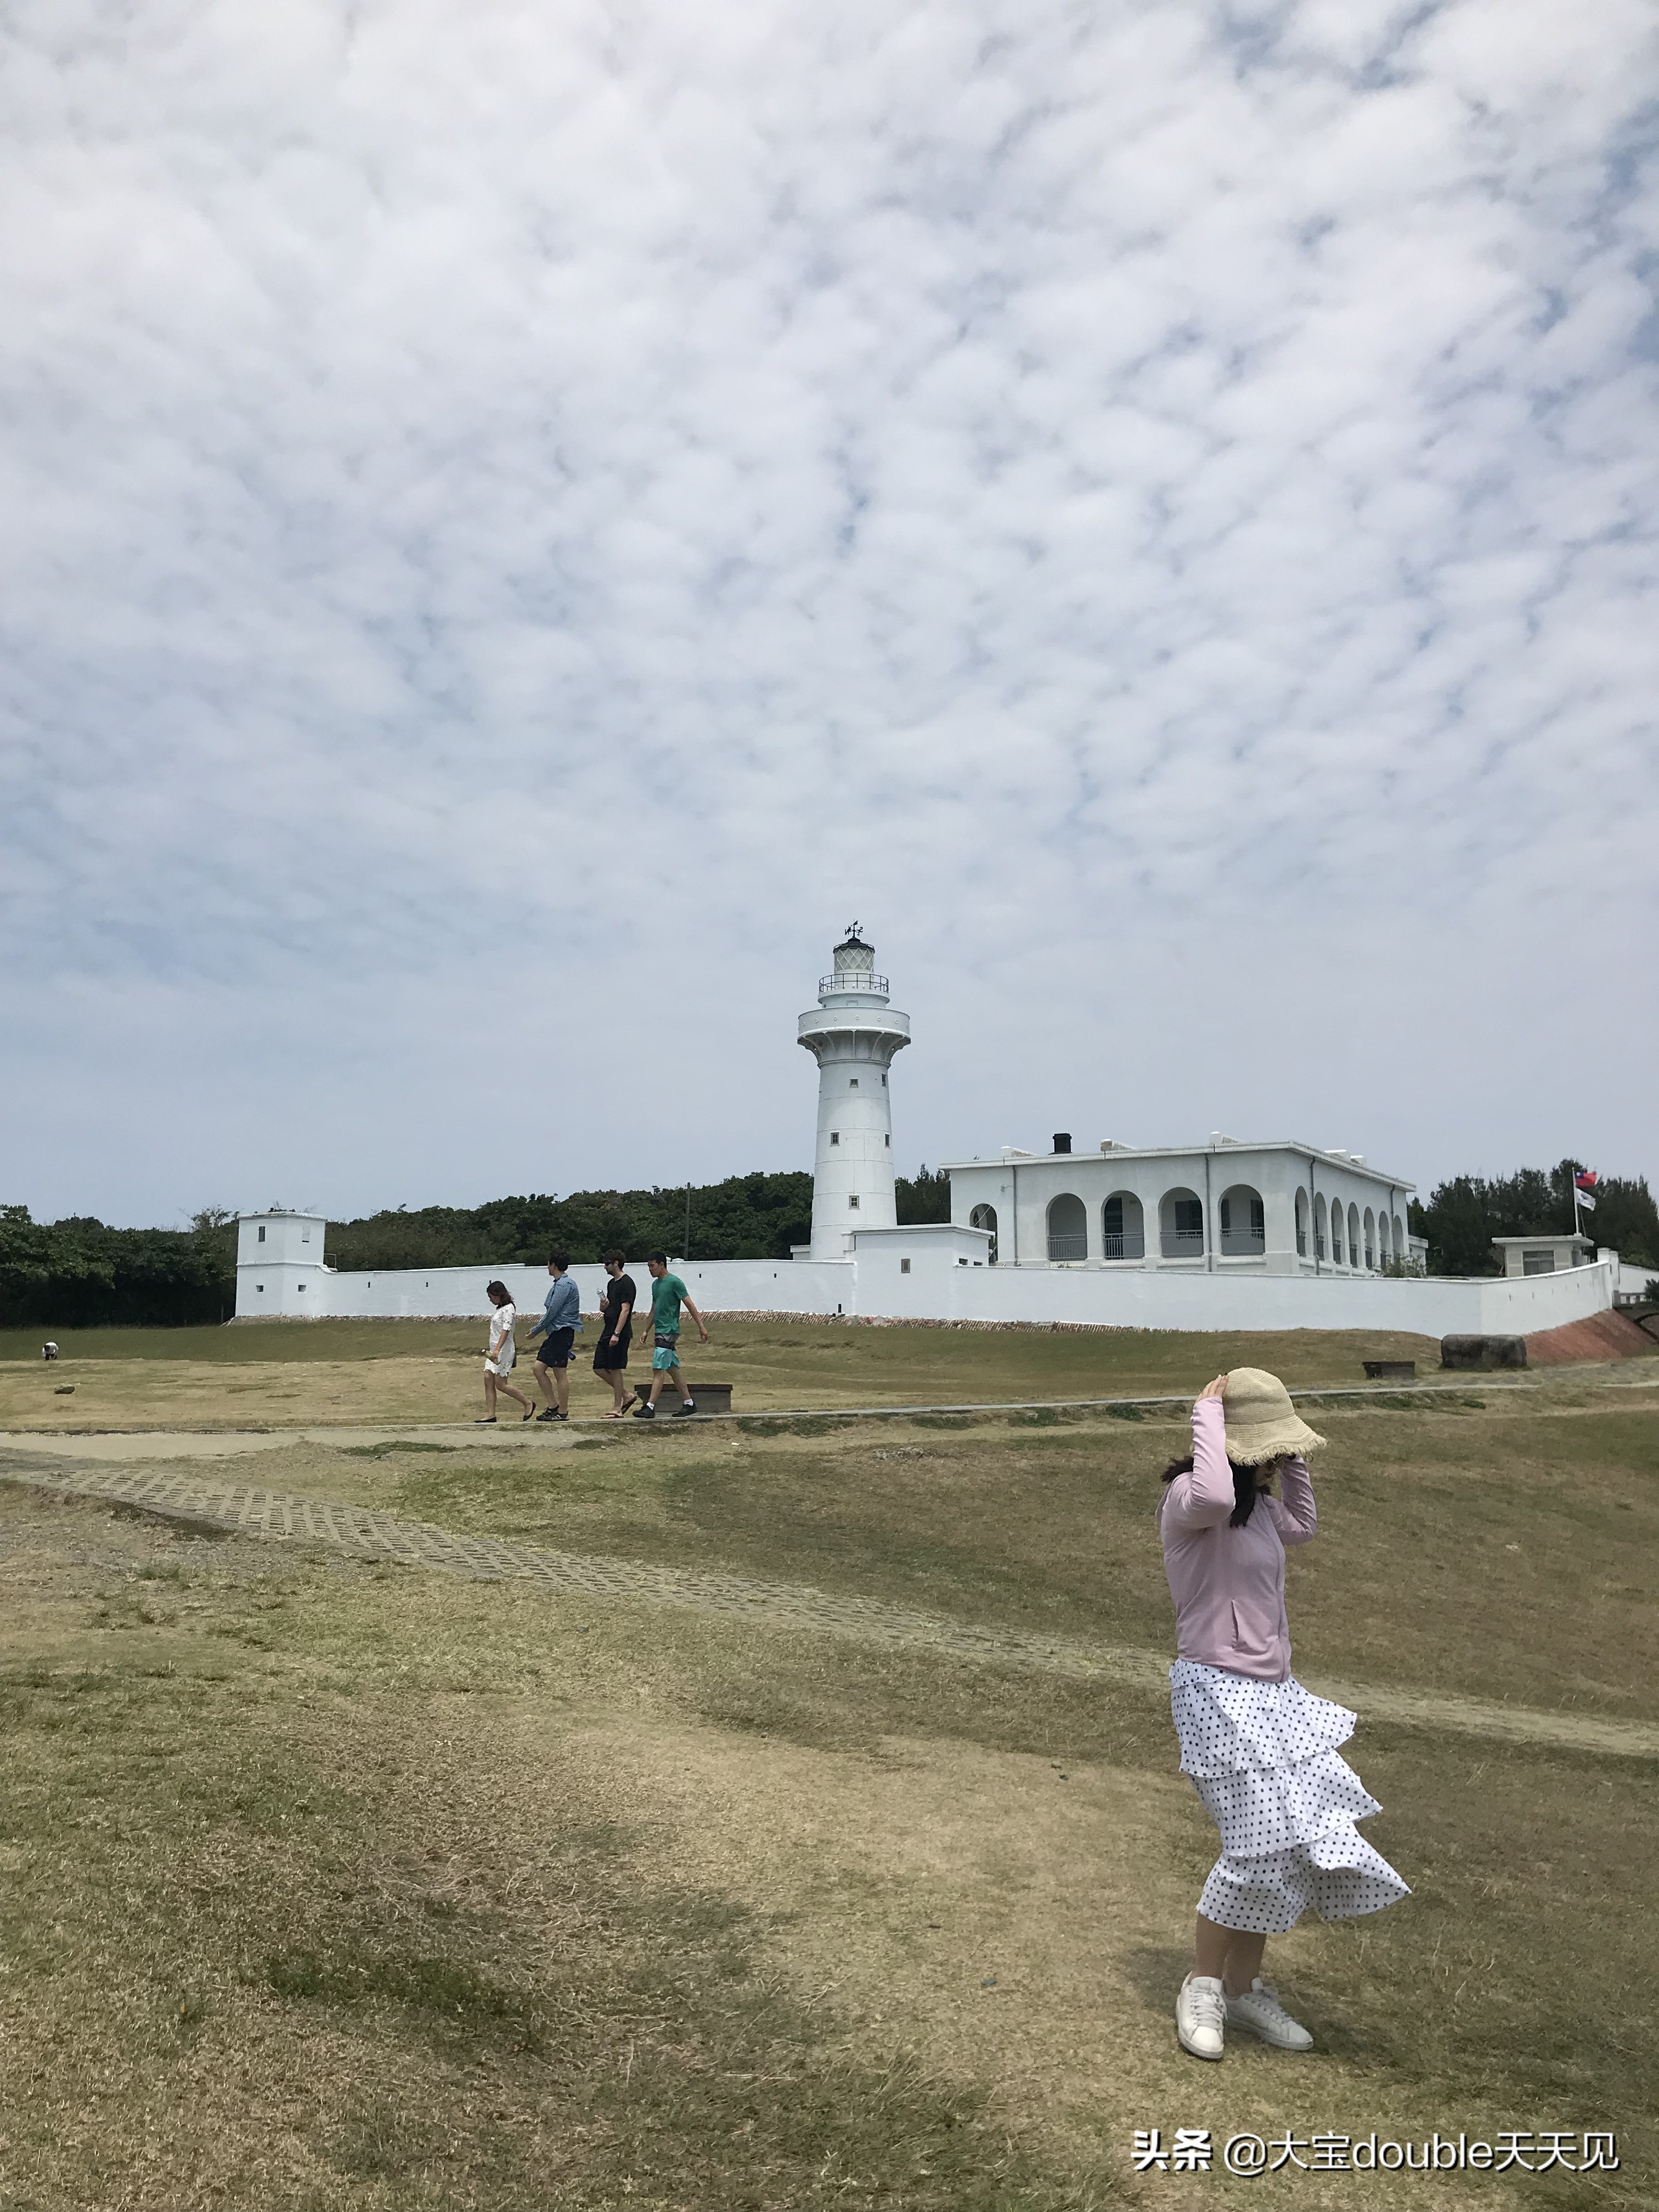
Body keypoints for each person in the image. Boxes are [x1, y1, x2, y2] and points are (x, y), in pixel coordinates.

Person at [1159, 1368, 1408, 2062]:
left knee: (1288, 1843)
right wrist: (1208, 1417)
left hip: (1275, 1693)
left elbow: (1303, 1525)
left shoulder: (1261, 1510)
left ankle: (1243, 1989)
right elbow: (1213, 1488)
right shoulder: (1189, 1500)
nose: (1274, 1457)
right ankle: (1203, 1986)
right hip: (1214, 1687)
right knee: (1254, 1842)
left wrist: (1291, 1455)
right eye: (1267, 1446)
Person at [632, 1253, 710, 1418]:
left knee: (658, 1367)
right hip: (660, 1330)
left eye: (652, 1266)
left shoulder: (675, 1282)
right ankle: (689, 1403)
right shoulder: (656, 1285)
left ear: (662, 1265)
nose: (650, 1269)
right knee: (673, 1369)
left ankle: (650, 1406)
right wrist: (647, 1329)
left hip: (669, 1330)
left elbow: (689, 1304)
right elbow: (655, 1307)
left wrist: (701, 1327)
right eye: (648, 1266)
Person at [528, 1250, 581, 1421]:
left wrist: (536, 1330)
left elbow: (552, 1312)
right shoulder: (559, 1284)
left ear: (554, 1265)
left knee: (560, 1372)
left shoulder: (564, 1285)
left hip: (563, 1332)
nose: (548, 1267)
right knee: (539, 1368)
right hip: (556, 1334)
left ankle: (563, 1412)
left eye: (549, 1264)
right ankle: (553, 1406)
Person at [477, 1280, 535, 1424]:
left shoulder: (509, 1308)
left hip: (504, 1351)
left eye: (491, 1296)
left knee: (501, 1384)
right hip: (494, 1350)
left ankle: (528, 1403)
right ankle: (491, 1414)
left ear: (498, 1294)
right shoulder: (500, 1309)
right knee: (488, 1378)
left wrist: (497, 1349)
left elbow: (506, 1329)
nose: (490, 1299)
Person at [592, 1251, 637, 1418]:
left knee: (616, 1368)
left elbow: (625, 1310)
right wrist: (603, 1308)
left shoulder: (627, 1283)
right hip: (607, 1329)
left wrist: (617, 1333)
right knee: (599, 1366)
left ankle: (617, 1408)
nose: (605, 1267)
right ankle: (626, 1396)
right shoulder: (612, 1284)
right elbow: (612, 1307)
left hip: (620, 1332)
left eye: (607, 1263)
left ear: (616, 1263)